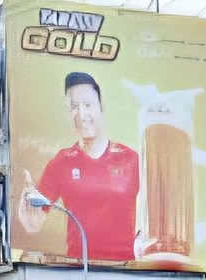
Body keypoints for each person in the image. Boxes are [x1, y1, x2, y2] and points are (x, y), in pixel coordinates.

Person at [18, 69, 146, 265]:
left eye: (88, 105)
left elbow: (152, 219)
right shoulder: (61, 162)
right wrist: (26, 212)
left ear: (100, 107)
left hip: (127, 272)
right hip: (79, 273)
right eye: (74, 107)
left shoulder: (131, 159)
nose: (82, 114)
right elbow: (34, 224)